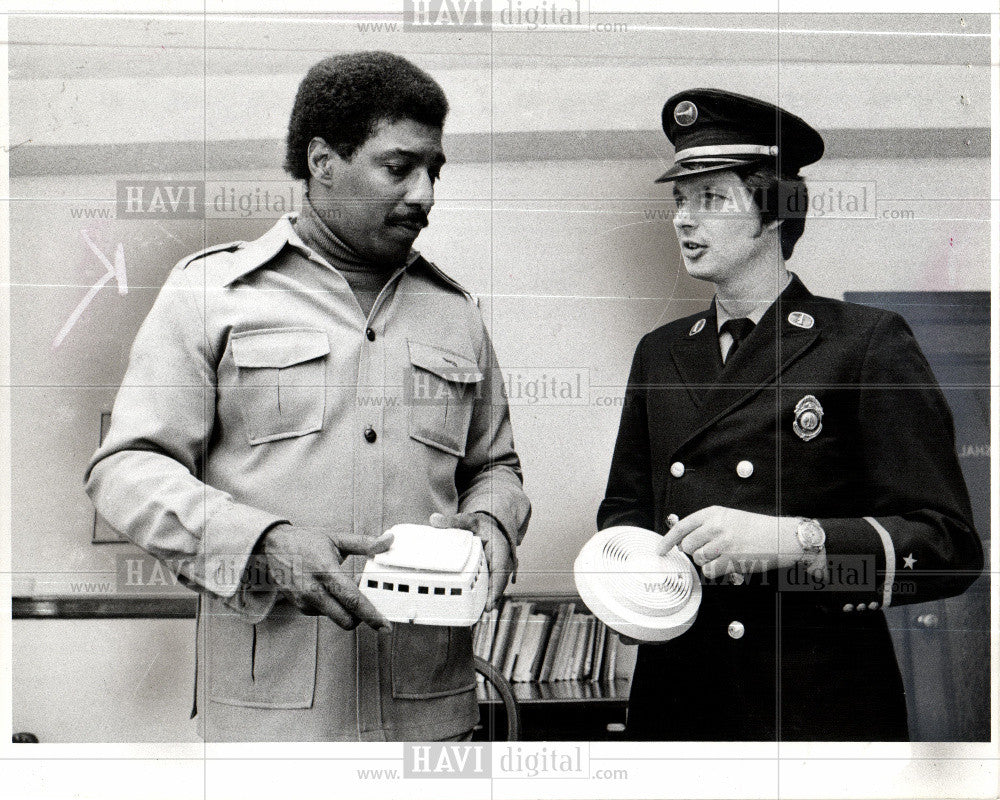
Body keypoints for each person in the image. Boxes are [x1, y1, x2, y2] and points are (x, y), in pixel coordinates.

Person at [85, 51, 530, 742]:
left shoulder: (457, 314)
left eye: (434, 171)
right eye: (400, 166)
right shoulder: (211, 293)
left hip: (430, 718)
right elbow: (124, 470)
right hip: (274, 732)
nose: (425, 195)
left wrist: (493, 522)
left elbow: (495, 467)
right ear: (323, 161)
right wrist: (262, 541)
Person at [597, 88, 983, 741]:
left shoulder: (863, 344)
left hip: (812, 707)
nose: (683, 221)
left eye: (710, 199)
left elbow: (946, 550)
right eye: (679, 200)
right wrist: (631, 578)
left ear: (775, 210)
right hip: (680, 699)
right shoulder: (660, 355)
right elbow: (624, 512)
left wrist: (793, 541)